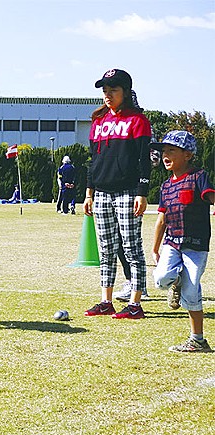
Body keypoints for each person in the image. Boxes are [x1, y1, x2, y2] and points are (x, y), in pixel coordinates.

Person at [83, 68, 151, 320]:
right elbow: (93, 161)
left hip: (128, 192)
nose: (108, 95)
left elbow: (144, 161)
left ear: (126, 92)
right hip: (101, 193)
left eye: (114, 90)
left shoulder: (138, 121)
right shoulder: (98, 121)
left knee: (132, 248)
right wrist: (89, 193)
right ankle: (106, 300)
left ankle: (135, 303)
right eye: (105, 91)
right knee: (106, 249)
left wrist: (142, 192)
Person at [150, 131, 215, 352]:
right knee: (161, 278)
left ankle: (197, 339)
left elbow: (212, 197)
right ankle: (175, 281)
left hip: (195, 245)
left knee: (192, 289)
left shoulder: (199, 177)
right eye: (163, 151)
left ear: (187, 155)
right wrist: (155, 247)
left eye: (171, 150)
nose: (165, 155)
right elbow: (162, 218)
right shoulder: (166, 186)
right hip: (172, 242)